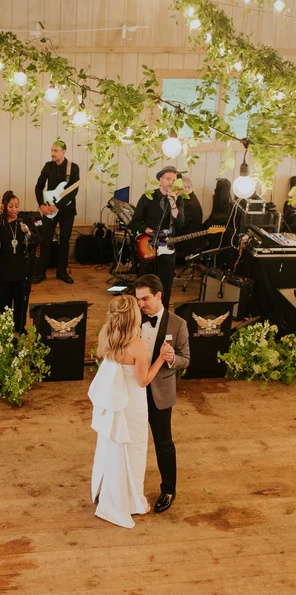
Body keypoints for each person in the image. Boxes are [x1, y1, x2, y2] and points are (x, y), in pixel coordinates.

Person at [88, 294, 169, 529]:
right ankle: (131, 500)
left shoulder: (106, 334)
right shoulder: (137, 344)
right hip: (132, 403)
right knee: (133, 449)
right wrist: (162, 359)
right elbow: (143, 381)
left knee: (111, 446)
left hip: (113, 402)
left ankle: (111, 492)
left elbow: (102, 355)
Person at [134, 274, 190, 513]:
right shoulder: (134, 319)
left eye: (144, 299)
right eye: (137, 300)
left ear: (159, 295)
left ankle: (168, 489)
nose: (140, 305)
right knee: (130, 442)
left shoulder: (178, 324)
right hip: (133, 390)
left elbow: (185, 360)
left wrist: (171, 359)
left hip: (159, 393)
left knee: (163, 443)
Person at [0, 190, 40, 333]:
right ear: (4, 207)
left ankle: (19, 328)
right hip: (2, 271)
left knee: (21, 303)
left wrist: (29, 234)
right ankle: (6, 329)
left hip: (22, 270)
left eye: (16, 206)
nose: (14, 210)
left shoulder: (25, 220)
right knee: (4, 303)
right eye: (11, 206)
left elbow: (38, 239)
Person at [131, 166, 184, 309]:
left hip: (167, 249)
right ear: (160, 180)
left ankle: (162, 314)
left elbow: (180, 223)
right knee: (146, 282)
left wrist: (173, 202)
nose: (171, 183)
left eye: (174, 180)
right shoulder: (148, 197)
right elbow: (135, 222)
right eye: (168, 179)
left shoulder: (178, 200)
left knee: (165, 285)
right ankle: (143, 312)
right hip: (149, 245)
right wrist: (150, 231)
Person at [33, 140, 79, 285]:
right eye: (51, 150)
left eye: (56, 151)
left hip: (67, 210)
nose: (52, 153)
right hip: (48, 209)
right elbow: (38, 187)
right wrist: (41, 205)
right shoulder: (48, 166)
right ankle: (41, 272)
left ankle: (62, 272)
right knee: (45, 240)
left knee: (64, 241)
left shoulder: (73, 168)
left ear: (64, 152)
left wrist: (57, 206)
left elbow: (73, 191)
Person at [176, 175, 203, 259]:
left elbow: (178, 226)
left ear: (187, 188)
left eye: (178, 189)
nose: (176, 191)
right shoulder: (188, 200)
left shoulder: (190, 205)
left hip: (184, 245)